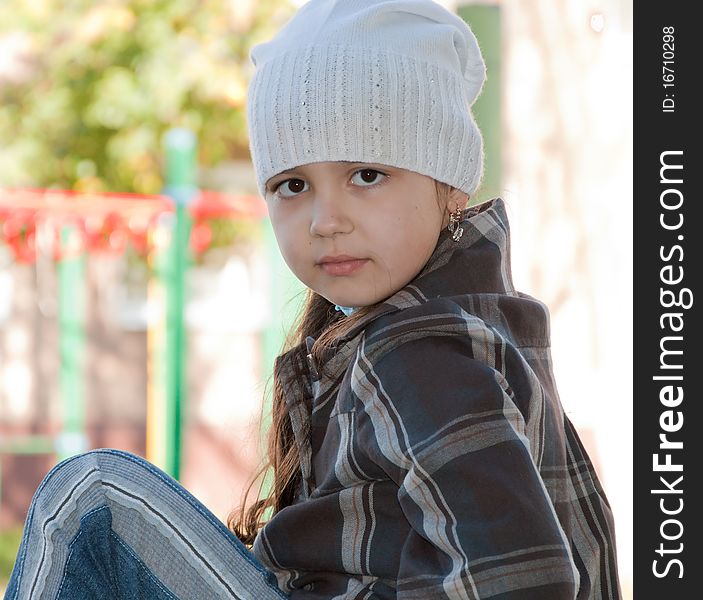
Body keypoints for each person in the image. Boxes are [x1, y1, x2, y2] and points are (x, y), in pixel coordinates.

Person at [6, 1, 621, 599]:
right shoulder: (444, 326)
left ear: (448, 181)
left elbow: (527, 581)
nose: (326, 220)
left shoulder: (420, 352)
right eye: (293, 185)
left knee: (92, 498)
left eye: (367, 175)